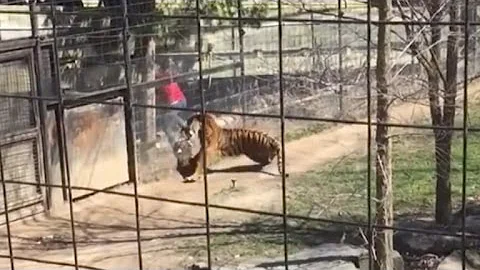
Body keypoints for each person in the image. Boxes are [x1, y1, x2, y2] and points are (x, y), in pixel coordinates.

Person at [155, 62, 188, 148]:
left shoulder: (166, 87)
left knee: (168, 116)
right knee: (166, 123)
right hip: (176, 101)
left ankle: (185, 127)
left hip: (179, 102)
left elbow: (170, 103)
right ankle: (175, 142)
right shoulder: (163, 77)